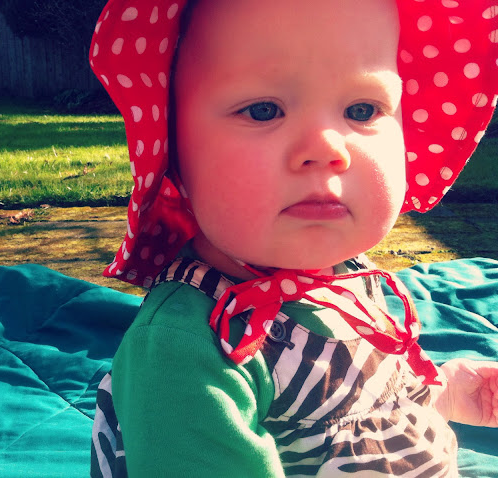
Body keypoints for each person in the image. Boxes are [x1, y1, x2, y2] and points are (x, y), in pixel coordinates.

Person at [89, 0, 498, 476]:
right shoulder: (187, 350)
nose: (326, 147)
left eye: (362, 109)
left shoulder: (350, 277)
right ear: (174, 151)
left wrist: (444, 394)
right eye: (264, 110)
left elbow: (359, 400)